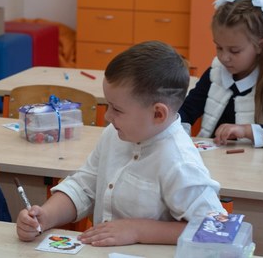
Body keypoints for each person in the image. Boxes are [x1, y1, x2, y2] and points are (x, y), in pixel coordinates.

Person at [16, 41, 226, 246]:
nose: (107, 116)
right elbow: (84, 187)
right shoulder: (115, 134)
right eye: (108, 105)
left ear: (158, 114)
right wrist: (46, 216)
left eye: (117, 109)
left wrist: (137, 230)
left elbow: (216, 228)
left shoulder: (180, 161)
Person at [179, 0, 263, 148]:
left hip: (256, 168)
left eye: (234, 51)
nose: (224, 57)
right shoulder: (216, 71)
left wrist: (247, 131)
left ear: (261, 46)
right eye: (219, 47)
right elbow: (186, 112)